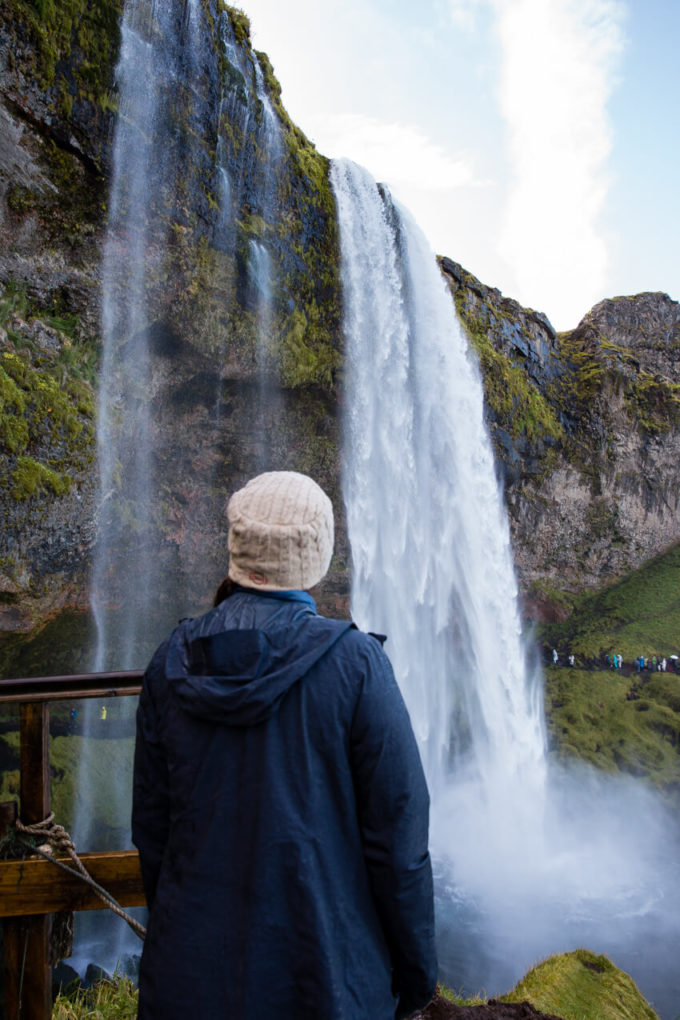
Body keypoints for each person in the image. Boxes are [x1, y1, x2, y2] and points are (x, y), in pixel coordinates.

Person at [132, 471, 437, 1020]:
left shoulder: (169, 662)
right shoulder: (356, 665)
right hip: (324, 982)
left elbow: (153, 833)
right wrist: (416, 979)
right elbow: (399, 840)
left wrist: (177, 937)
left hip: (188, 984)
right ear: (315, 555)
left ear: (237, 548)